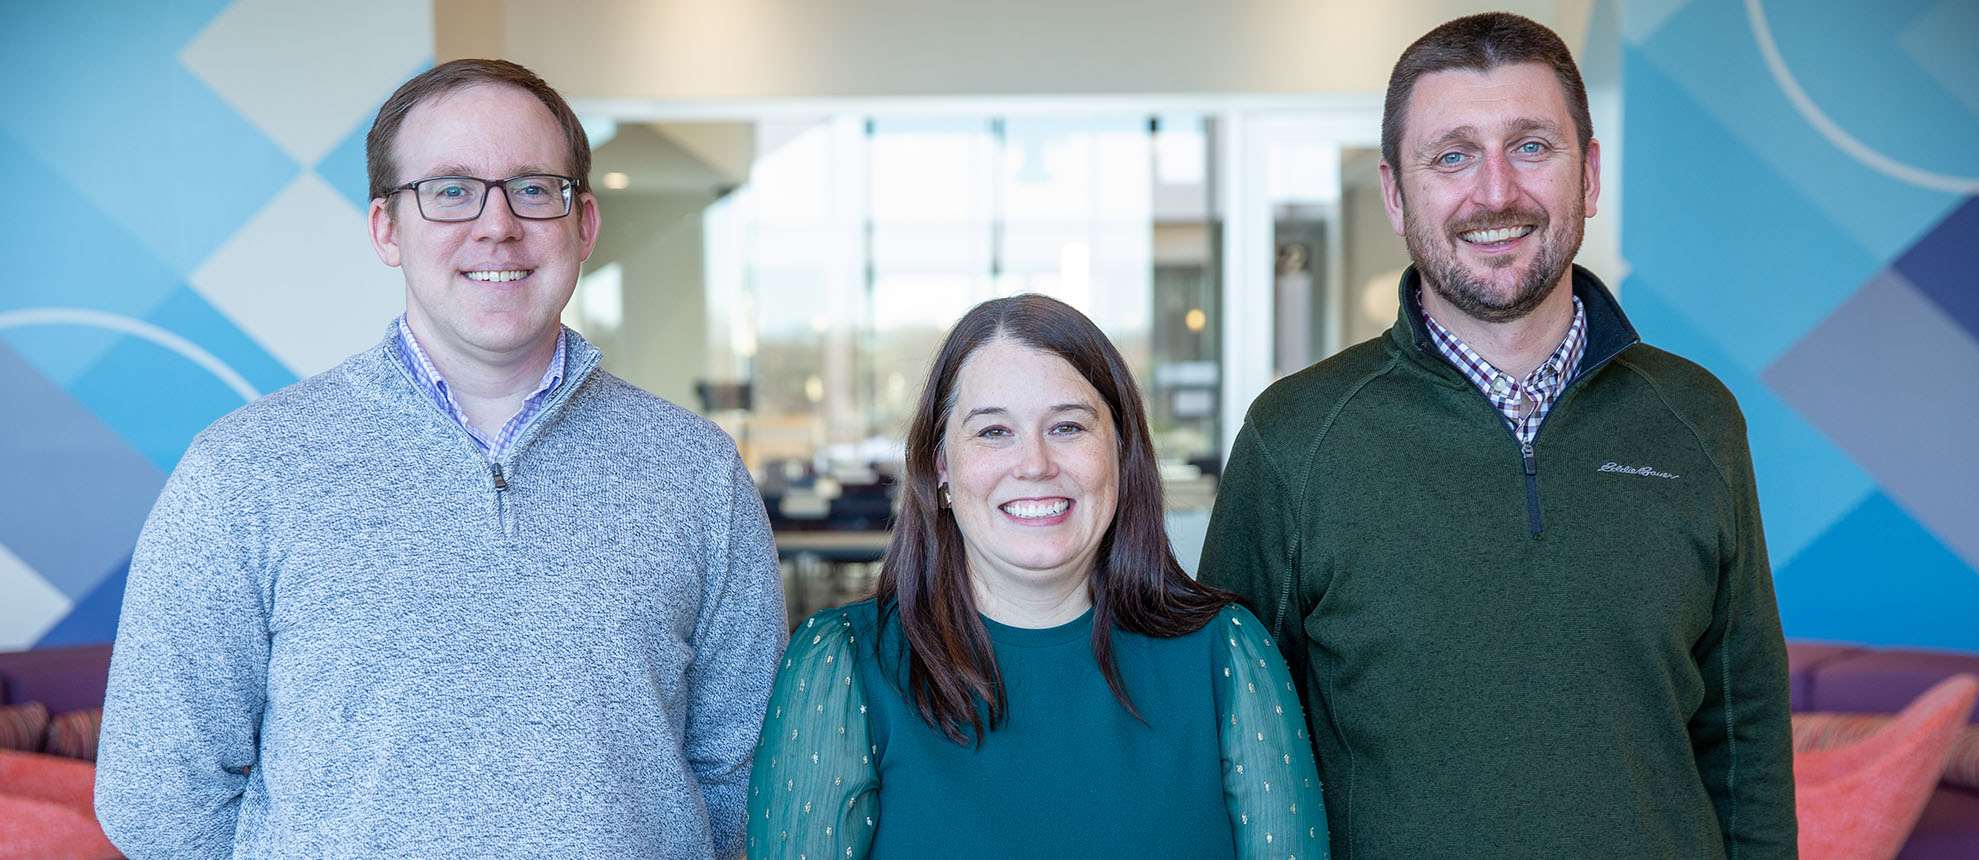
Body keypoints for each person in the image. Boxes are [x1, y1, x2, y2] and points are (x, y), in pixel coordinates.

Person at [94, 59, 784, 858]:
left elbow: (744, 775)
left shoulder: (695, 472)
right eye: (450, 190)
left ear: (584, 223)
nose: (497, 225)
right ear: (387, 228)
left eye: (534, 187)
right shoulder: (245, 470)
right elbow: (156, 789)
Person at [1200, 12, 1796, 859]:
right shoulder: (1296, 440)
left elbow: (1748, 747)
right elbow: (1233, 741)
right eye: (1452, 155)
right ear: (1397, 195)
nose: (1494, 193)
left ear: (1588, 175)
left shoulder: (1696, 420)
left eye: (1531, 146)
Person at [747, 295, 1328, 859]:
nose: (1035, 464)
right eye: (993, 431)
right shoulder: (843, 667)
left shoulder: (1227, 654)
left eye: (1068, 427)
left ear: (1122, 452)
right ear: (941, 468)